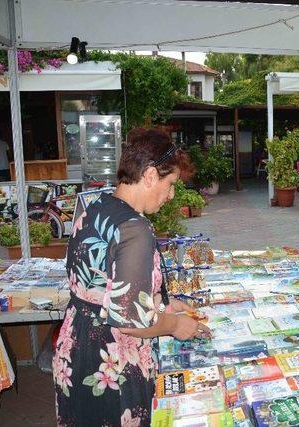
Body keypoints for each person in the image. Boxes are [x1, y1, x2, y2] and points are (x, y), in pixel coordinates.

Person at [52, 128, 211, 426]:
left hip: (75, 349)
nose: (172, 194)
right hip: (111, 366)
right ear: (150, 175)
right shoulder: (135, 229)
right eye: (171, 183)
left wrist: (161, 304)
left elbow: (104, 286)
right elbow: (132, 323)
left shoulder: (94, 208)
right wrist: (175, 325)